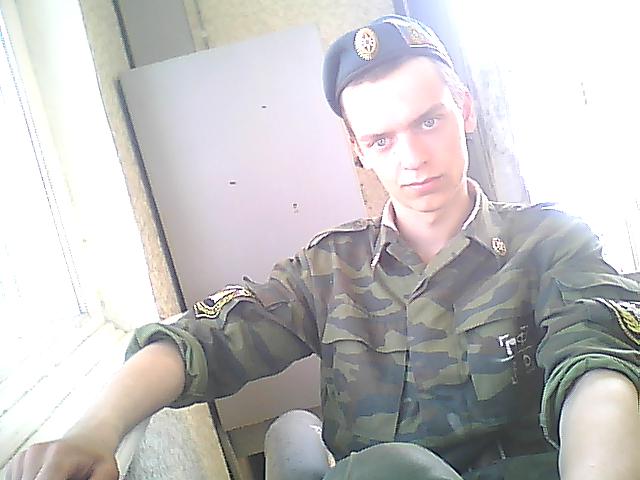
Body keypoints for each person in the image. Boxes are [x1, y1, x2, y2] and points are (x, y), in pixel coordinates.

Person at [6, 14, 640, 480]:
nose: (414, 158)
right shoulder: (330, 269)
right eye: (382, 139)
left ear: (466, 111)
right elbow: (207, 339)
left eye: (429, 121)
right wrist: (94, 429)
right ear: (357, 149)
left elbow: (598, 368)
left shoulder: (551, 242)